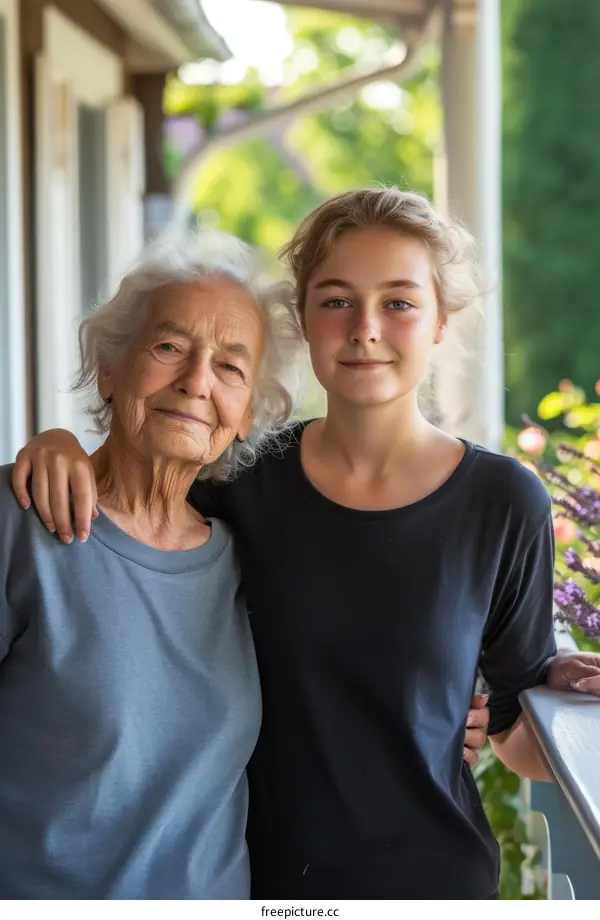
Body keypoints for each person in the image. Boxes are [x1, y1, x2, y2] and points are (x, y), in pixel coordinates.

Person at [14, 189, 597, 899]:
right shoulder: (241, 483)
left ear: (442, 319)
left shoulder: (503, 502)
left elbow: (513, 732)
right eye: (336, 300)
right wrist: (54, 444)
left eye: (400, 302)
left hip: (434, 886)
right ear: (305, 316)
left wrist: (563, 695)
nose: (366, 329)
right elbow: (133, 495)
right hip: (267, 887)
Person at [0, 230, 306, 899]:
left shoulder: (251, 561)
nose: (196, 382)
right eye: (169, 347)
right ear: (110, 367)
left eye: (231, 367)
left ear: (248, 412)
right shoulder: (18, 522)